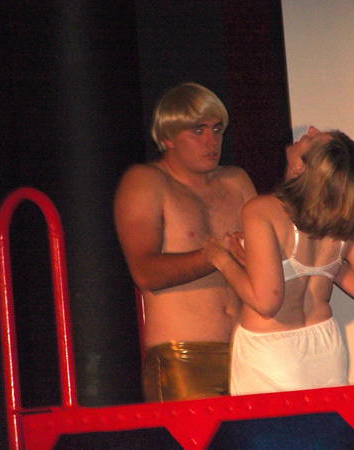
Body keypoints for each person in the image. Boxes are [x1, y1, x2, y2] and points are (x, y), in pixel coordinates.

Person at [204, 127, 354, 395]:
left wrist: (221, 259)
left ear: (300, 167)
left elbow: (266, 303)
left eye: (313, 138)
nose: (310, 130)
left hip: (270, 352)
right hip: (325, 349)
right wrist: (328, 265)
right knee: (324, 422)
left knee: (271, 424)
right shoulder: (343, 218)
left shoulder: (262, 210)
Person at [113, 82, 256, 401]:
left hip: (248, 351)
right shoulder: (147, 181)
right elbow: (145, 272)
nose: (211, 141)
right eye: (198, 130)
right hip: (182, 357)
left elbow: (267, 258)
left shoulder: (236, 180)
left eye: (217, 129)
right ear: (167, 137)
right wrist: (217, 255)